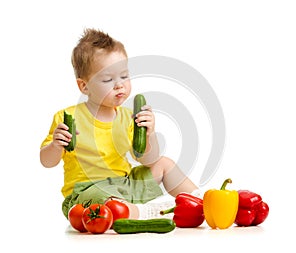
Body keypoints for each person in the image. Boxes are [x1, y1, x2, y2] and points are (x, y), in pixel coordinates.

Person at [40, 28, 200, 220]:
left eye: (124, 76)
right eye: (108, 79)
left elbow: (147, 159)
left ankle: (200, 201)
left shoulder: (127, 117)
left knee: (164, 163)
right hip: (87, 192)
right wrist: (56, 145)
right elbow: (47, 162)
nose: (119, 85)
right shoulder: (67, 117)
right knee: (109, 203)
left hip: (125, 184)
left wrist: (150, 135)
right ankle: (147, 212)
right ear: (84, 86)